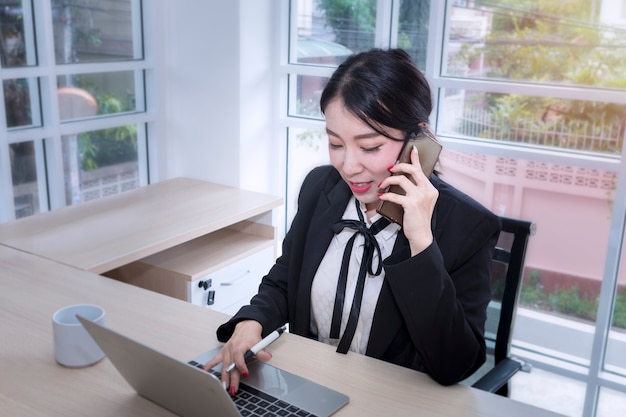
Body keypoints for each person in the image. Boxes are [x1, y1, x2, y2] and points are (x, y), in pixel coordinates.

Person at [204, 48, 501, 396]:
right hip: (306, 388)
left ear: (417, 142)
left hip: (389, 403)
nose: (348, 166)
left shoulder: (468, 226)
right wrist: (251, 322)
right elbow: (286, 279)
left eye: (370, 147)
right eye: (335, 143)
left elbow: (455, 365)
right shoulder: (320, 188)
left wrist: (421, 243)